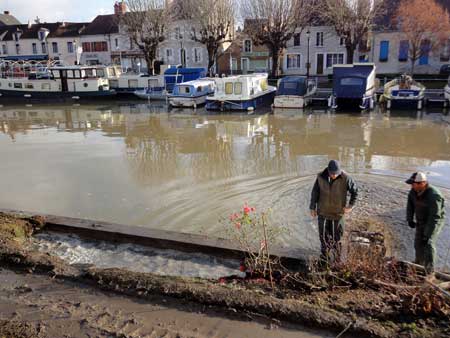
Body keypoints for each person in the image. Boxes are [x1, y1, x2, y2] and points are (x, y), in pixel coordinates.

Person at [309, 160, 358, 265]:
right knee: (323, 237)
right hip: (322, 212)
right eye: (332, 174)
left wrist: (350, 206)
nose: (334, 175)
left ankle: (337, 260)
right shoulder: (320, 177)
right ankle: (324, 259)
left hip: (337, 213)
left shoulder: (346, 178)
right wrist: (312, 207)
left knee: (337, 239)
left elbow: (355, 192)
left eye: (336, 173)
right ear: (328, 171)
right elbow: (315, 192)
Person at [406, 172, 445, 273]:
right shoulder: (413, 192)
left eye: (413, 184)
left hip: (433, 221)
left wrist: (427, 234)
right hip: (421, 219)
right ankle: (419, 264)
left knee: (428, 243)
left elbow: (435, 217)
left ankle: (429, 270)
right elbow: (410, 206)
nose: (411, 186)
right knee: (417, 243)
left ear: (422, 183)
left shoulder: (434, 196)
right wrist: (409, 219)